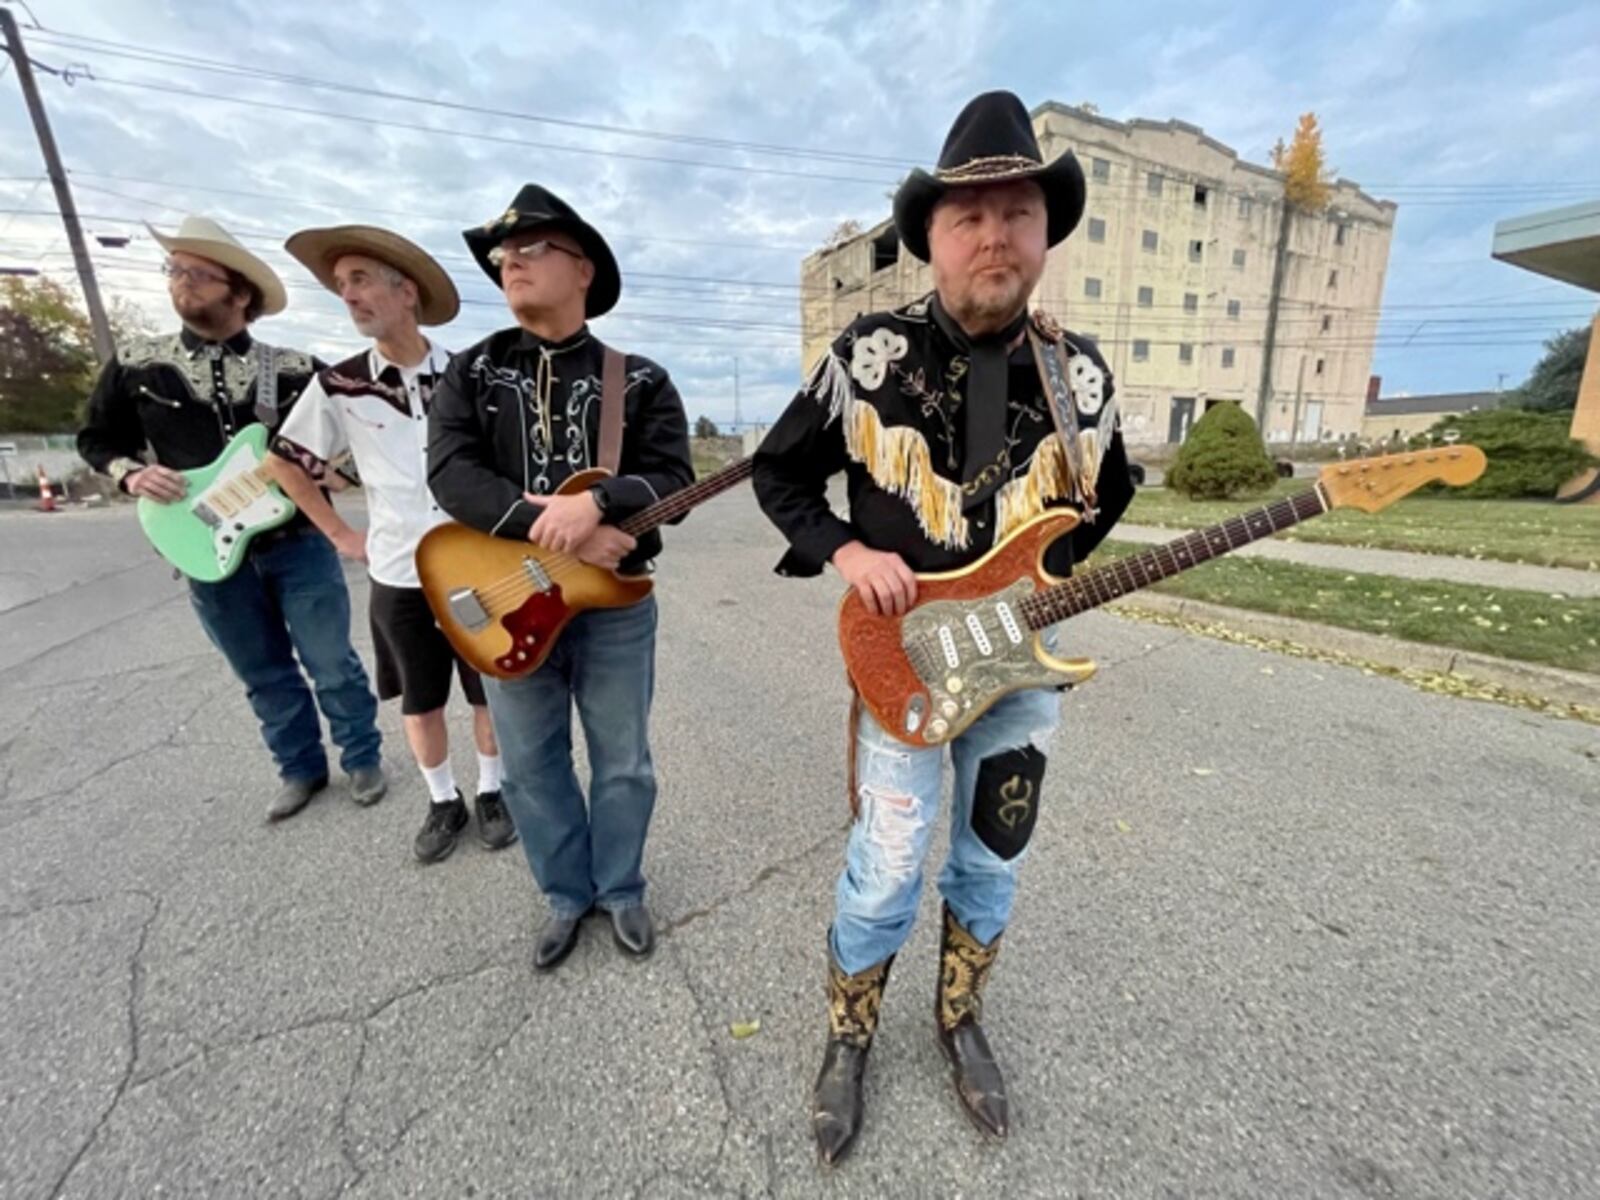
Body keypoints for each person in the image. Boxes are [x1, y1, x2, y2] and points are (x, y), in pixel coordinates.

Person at [752, 92, 1135, 1164]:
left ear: (1043, 236)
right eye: (969, 216)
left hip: (1021, 676)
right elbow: (780, 474)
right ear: (931, 237)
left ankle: (959, 1020)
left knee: (993, 862)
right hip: (904, 667)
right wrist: (848, 550)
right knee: (885, 865)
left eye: (1018, 213)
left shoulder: (1082, 376)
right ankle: (849, 1036)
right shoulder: (865, 356)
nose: (994, 235)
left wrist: (1046, 584)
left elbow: (1108, 495)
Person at [427, 185, 694, 968]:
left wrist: (603, 505)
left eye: (532, 247)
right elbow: (450, 472)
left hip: (616, 611)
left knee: (624, 761)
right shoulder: (471, 373)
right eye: (502, 254)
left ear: (583, 268)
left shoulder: (640, 379)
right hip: (505, 606)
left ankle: (619, 889)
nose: (509, 260)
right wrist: (557, 528)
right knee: (532, 766)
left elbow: (673, 478)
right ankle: (564, 895)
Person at [78, 215, 385, 822]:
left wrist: (335, 475)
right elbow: (95, 439)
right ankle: (299, 770)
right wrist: (131, 475)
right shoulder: (137, 365)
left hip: (297, 540)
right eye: (175, 271)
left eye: (198, 273)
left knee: (332, 662)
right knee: (262, 671)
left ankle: (362, 758)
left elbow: (361, 440)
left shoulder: (295, 369)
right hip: (203, 546)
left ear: (240, 292)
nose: (181, 283)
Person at [268, 225, 515, 862]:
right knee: (420, 696)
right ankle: (443, 801)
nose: (348, 296)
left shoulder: (470, 375)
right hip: (400, 571)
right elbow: (286, 461)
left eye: (360, 280)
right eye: (341, 286)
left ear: (406, 292)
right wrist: (341, 534)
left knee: (489, 684)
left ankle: (493, 790)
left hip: (476, 568)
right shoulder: (339, 385)